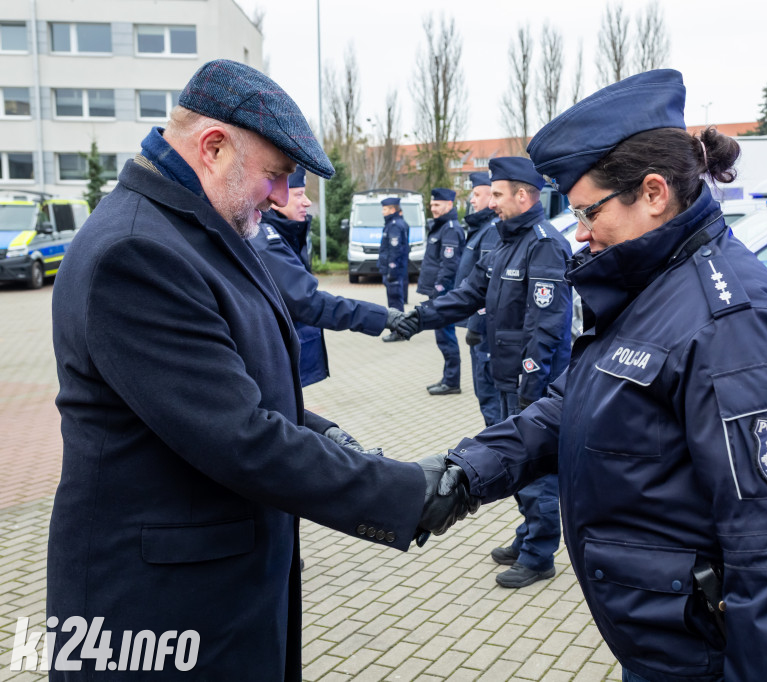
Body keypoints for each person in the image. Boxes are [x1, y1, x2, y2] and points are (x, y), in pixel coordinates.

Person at [47, 59, 466, 680]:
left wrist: (323, 435)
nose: (279, 195)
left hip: (210, 596)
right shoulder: (137, 252)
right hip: (156, 613)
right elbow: (236, 435)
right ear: (213, 147)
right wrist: (404, 492)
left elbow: (229, 383)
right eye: (275, 175)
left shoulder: (195, 231)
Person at [415, 70, 767, 681]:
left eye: (588, 211)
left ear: (655, 192)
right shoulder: (651, 283)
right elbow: (571, 404)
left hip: (704, 657)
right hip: (659, 642)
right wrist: (462, 474)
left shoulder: (731, 322)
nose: (579, 231)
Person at [399, 157, 572, 588]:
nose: (489, 202)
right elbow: (467, 295)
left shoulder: (544, 244)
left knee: (536, 468)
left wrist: (532, 389)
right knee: (514, 462)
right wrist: (420, 317)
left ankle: (539, 554)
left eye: (497, 194)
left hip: (530, 383)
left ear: (523, 195)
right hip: (502, 375)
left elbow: (546, 325)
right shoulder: (500, 239)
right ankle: (529, 533)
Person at [251, 167, 406, 386]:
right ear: (275, 198)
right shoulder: (266, 240)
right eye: (298, 194)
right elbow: (307, 301)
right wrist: (382, 316)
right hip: (273, 365)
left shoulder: (281, 234)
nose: (306, 202)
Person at [456, 171, 502, 426]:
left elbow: (489, 286)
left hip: (485, 331)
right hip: (481, 329)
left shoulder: (491, 231)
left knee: (489, 395)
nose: (472, 200)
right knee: (484, 393)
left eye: (477, 194)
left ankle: (496, 455)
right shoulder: (481, 228)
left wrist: (476, 323)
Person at [416, 187, 465, 395]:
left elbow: (449, 265)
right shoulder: (441, 226)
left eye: (437, 205)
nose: (433, 208)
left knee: (446, 336)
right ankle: (448, 377)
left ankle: (452, 381)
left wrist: (438, 290)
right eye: (432, 205)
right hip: (438, 291)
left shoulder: (450, 229)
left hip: (443, 292)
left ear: (449, 205)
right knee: (442, 336)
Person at [378, 196, 410, 341]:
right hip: (395, 270)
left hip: (394, 271)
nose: (383, 212)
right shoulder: (394, 223)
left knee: (395, 302)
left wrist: (391, 270)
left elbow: (395, 250)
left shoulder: (395, 225)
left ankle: (399, 332)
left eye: (385, 209)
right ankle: (399, 330)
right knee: (396, 300)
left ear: (392, 209)